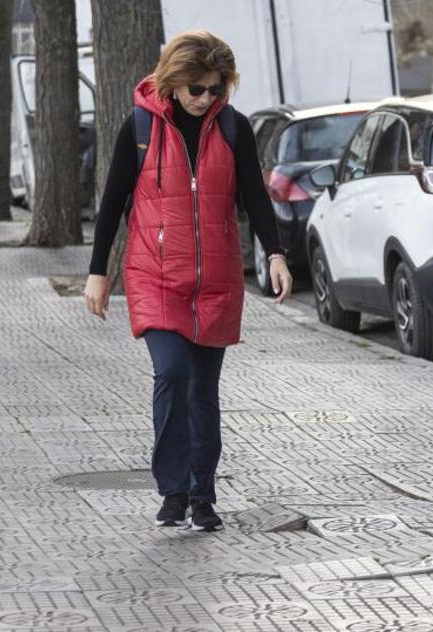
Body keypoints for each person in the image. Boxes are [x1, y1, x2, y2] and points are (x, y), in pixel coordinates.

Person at [84, 30, 293, 532]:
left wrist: (277, 254)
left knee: (203, 390)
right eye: (196, 89)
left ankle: (203, 496)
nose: (205, 99)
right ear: (174, 83)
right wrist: (98, 272)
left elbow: (256, 199)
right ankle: (172, 491)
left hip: (216, 278)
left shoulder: (234, 129)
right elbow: (112, 203)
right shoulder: (138, 128)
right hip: (154, 276)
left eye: (215, 90)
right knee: (171, 373)